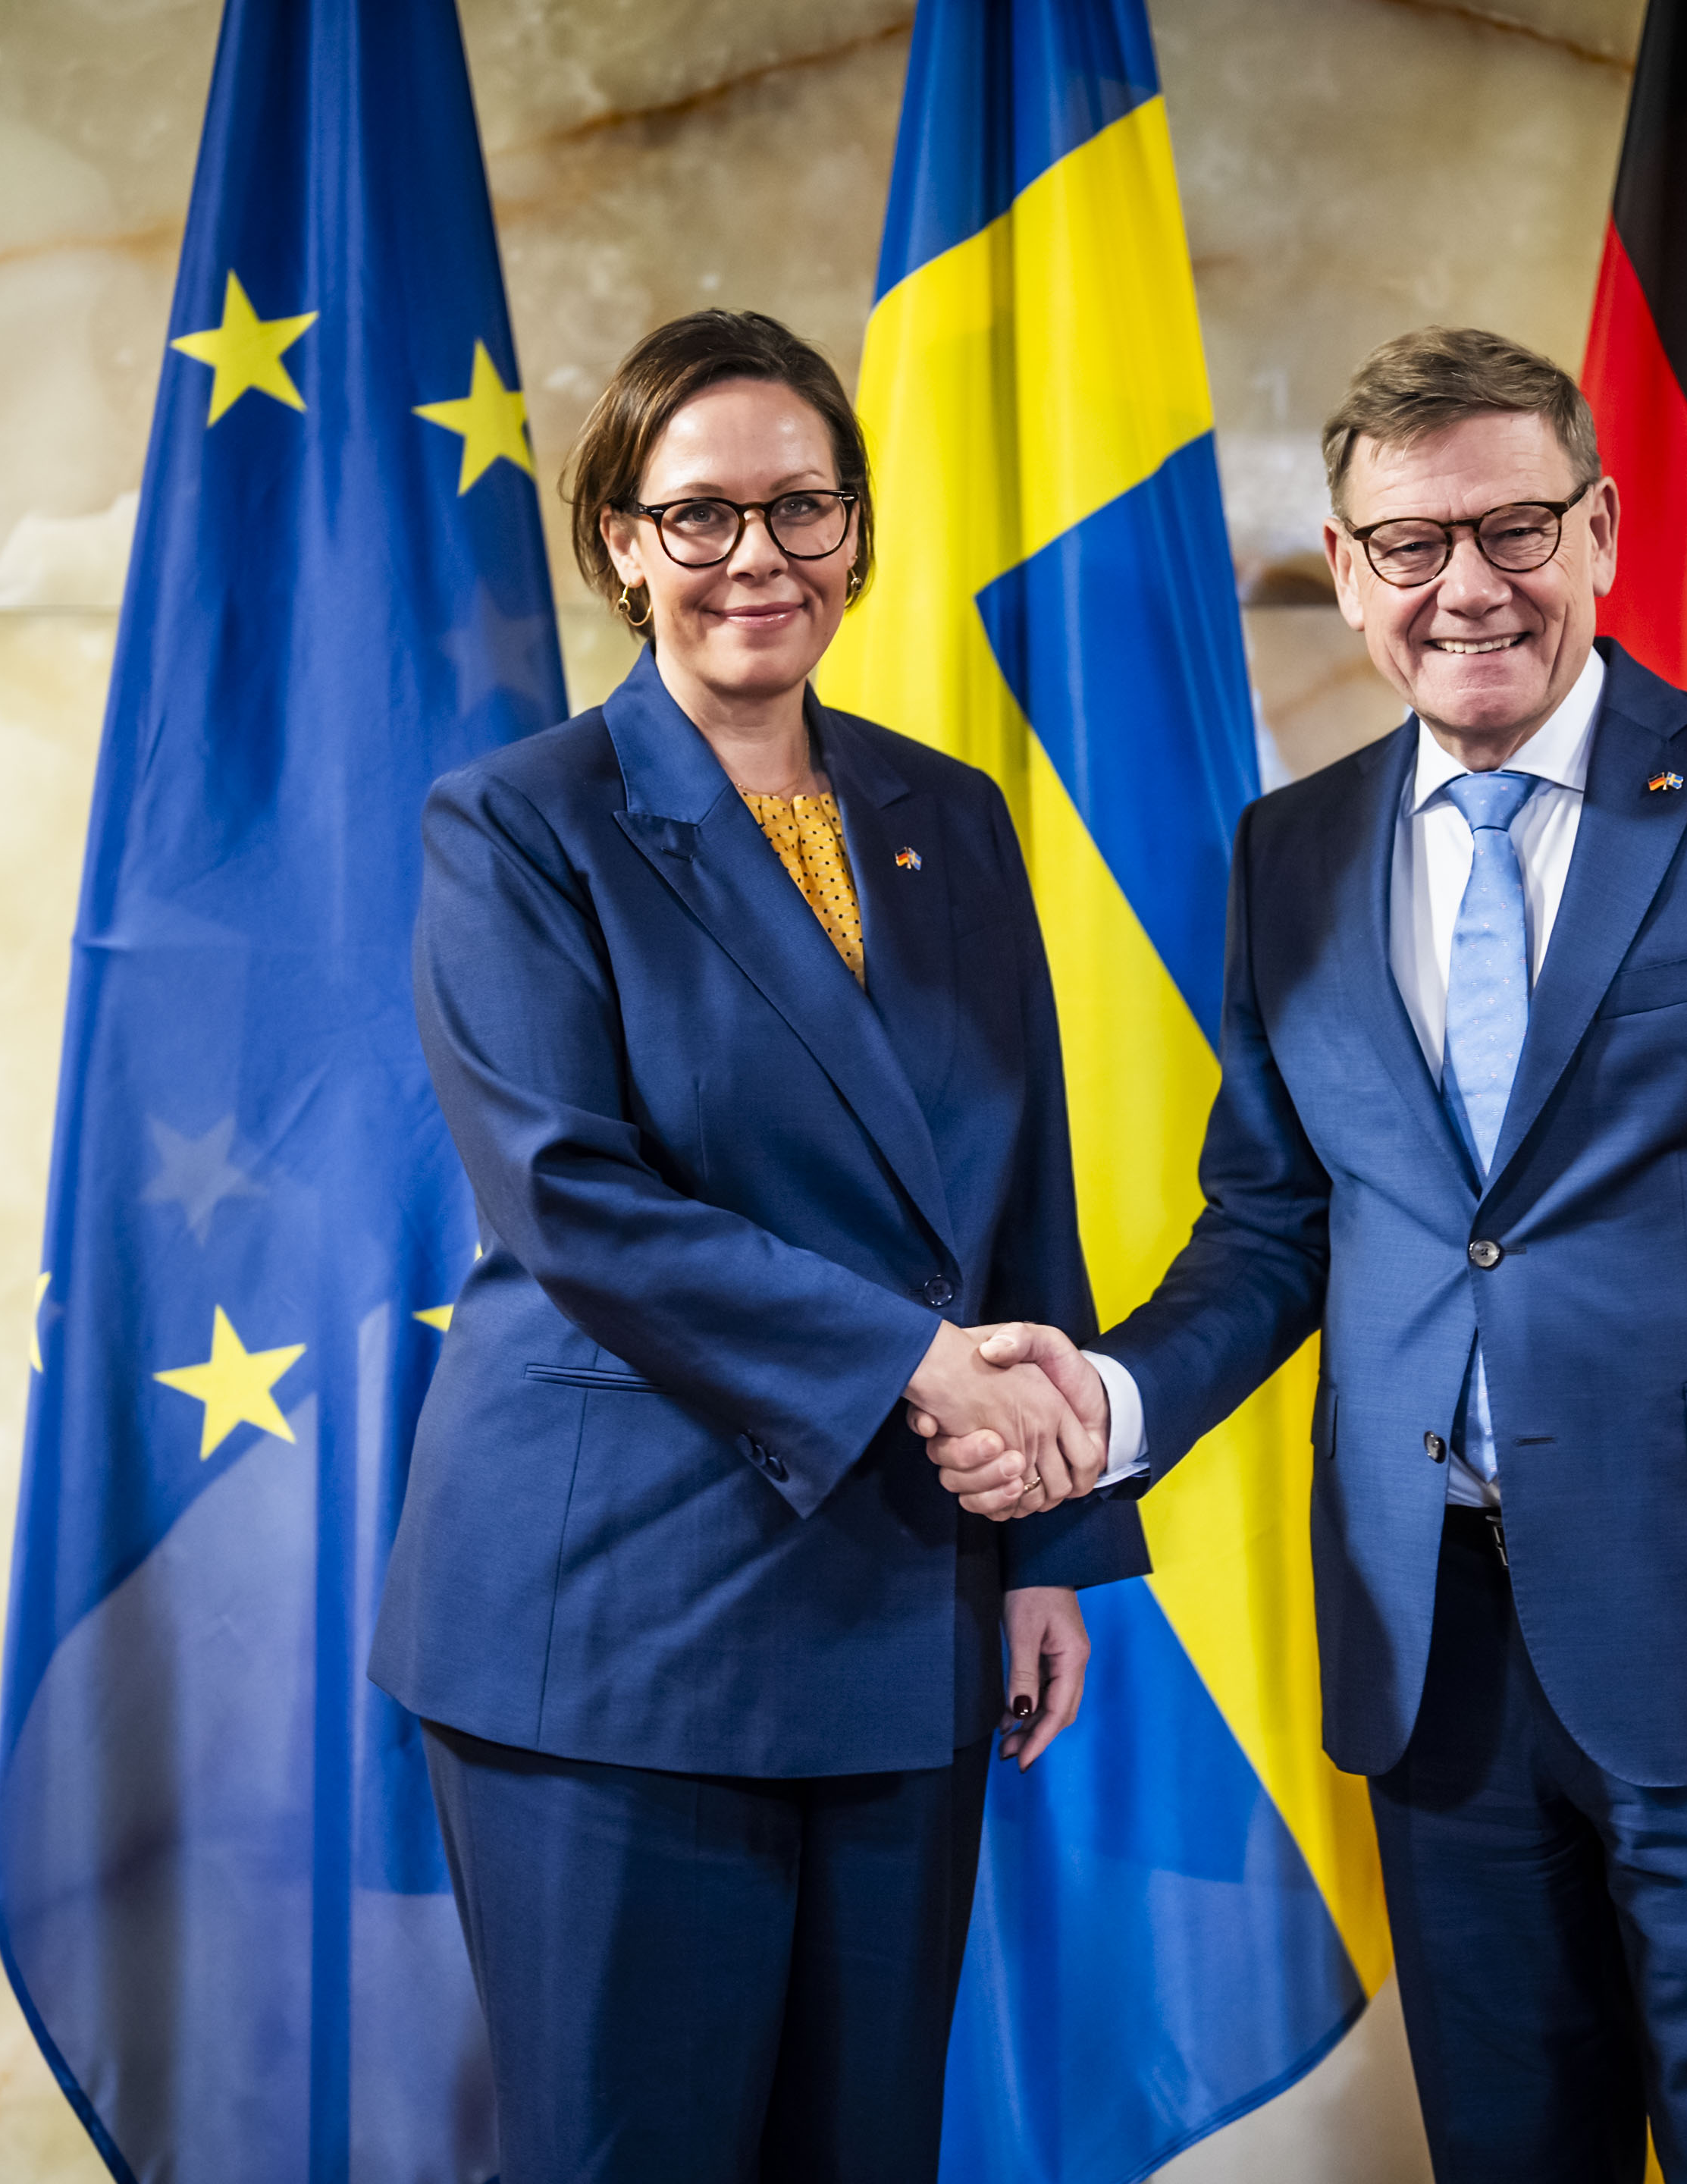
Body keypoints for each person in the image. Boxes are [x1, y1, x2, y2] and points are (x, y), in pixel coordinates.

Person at [921, 328, 1687, 2182]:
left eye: (1516, 528)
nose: (1470, 588)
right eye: (1412, 546)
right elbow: (1275, 1226)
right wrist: (1105, 1400)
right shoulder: (1295, 853)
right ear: (1345, 572)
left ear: (1599, 532)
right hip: (1437, 1658)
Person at [371, 309, 1137, 2184]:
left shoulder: (947, 818)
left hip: (907, 1599)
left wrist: (1049, 1540)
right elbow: (572, 1196)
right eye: (699, 515)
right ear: (620, 540)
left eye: (803, 509)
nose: (755, 559)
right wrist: (912, 1364)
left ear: (859, 536)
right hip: (618, 1624)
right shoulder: (520, 822)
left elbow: (1013, 1191)